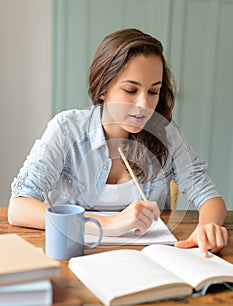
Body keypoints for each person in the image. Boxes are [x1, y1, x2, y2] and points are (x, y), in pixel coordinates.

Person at [8, 28, 228, 257]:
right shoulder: (66, 129)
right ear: (103, 88)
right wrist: (108, 223)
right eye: (131, 90)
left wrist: (207, 226)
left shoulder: (166, 133)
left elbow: (208, 195)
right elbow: (19, 208)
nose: (144, 104)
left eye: (153, 91)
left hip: (148, 261)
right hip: (74, 256)